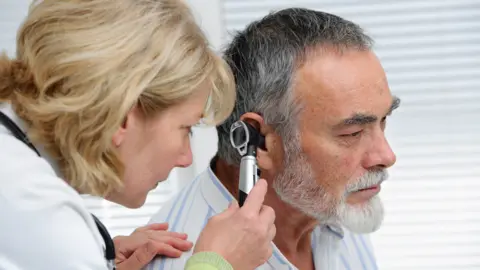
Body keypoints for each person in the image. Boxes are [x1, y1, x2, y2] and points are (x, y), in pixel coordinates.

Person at [0, 1, 276, 270]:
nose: (186, 158)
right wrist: (217, 263)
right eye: (185, 129)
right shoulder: (42, 217)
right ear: (120, 118)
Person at [146, 7, 401, 270]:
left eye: (383, 121)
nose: (386, 156)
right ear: (260, 143)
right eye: (353, 133)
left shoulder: (332, 205)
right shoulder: (178, 261)